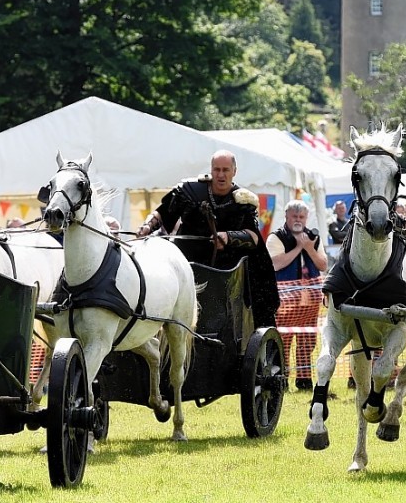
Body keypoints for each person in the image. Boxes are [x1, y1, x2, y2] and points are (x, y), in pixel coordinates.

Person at [137, 150, 279, 327]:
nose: (220, 175)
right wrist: (147, 226)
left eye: (225, 170)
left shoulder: (243, 201)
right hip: (185, 263)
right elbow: (163, 213)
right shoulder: (190, 191)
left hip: (225, 271)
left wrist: (228, 237)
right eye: (216, 169)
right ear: (211, 170)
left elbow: (253, 238)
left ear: (234, 171)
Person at [266, 200, 328, 390]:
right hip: (285, 300)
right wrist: (299, 248)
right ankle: (281, 379)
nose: (298, 220)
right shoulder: (276, 237)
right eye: (294, 216)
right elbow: (276, 263)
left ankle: (304, 379)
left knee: (307, 342)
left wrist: (308, 247)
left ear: (306, 218)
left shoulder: (313, 238)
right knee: (283, 340)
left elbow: (323, 265)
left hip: (310, 299)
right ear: (286, 216)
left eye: (301, 217)